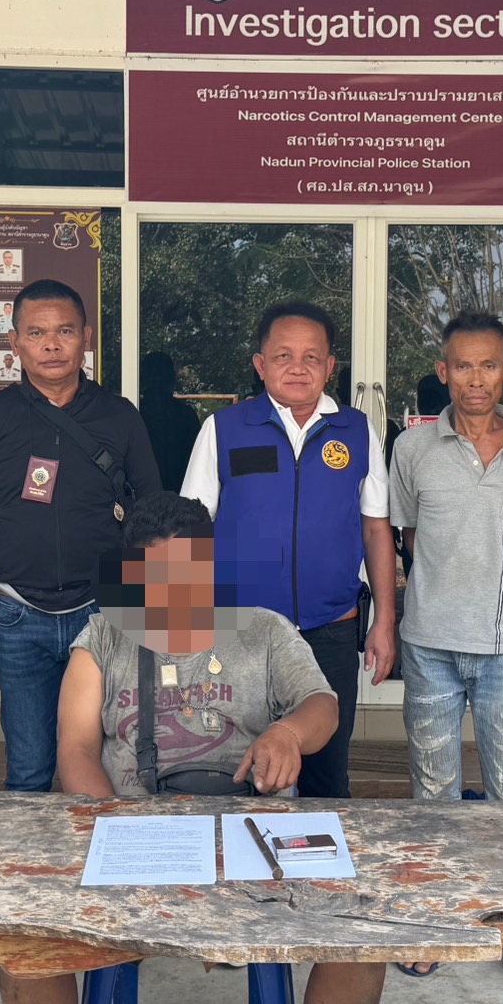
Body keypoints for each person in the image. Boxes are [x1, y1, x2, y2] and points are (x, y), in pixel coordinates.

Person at [0, 491, 384, 1004]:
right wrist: (113, 829)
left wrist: (288, 734)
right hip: (131, 832)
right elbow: (77, 749)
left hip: (252, 837)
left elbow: (322, 705)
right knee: (21, 941)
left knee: (367, 935)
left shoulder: (264, 630)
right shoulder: (105, 636)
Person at [0, 278, 160, 792]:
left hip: (106, 616)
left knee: (117, 767)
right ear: (14, 343)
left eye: (65, 331)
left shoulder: (119, 417)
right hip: (20, 617)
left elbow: (154, 520)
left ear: (86, 338)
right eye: (36, 333)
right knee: (29, 773)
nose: (52, 345)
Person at [386, 311, 503, 978]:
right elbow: (409, 540)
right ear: (443, 372)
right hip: (429, 642)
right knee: (432, 789)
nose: (475, 380)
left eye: (488, 365)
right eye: (462, 366)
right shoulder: (412, 448)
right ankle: (437, 922)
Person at [181, 300, 396, 799]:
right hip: (241, 632)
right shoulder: (224, 429)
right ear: (260, 365)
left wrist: (385, 621)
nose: (298, 368)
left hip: (331, 629)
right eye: (283, 356)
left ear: (330, 366)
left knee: (326, 776)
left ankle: (322, 852)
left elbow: (375, 530)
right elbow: (190, 531)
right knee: (236, 770)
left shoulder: (356, 431)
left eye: (311, 357)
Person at [137, 350, 201, 489]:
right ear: (173, 381)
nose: (157, 389)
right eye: (154, 382)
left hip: (170, 491)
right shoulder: (133, 416)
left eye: (159, 382)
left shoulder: (134, 415)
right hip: (171, 491)